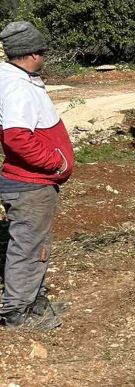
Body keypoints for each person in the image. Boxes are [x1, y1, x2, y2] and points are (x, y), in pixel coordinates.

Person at [0, 21, 74, 331]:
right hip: (30, 184)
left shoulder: (19, 79)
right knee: (28, 246)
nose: (44, 57)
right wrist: (54, 163)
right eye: (42, 52)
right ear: (31, 54)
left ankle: (34, 300)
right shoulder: (17, 86)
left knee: (36, 243)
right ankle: (17, 312)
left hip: (33, 183)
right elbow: (16, 136)